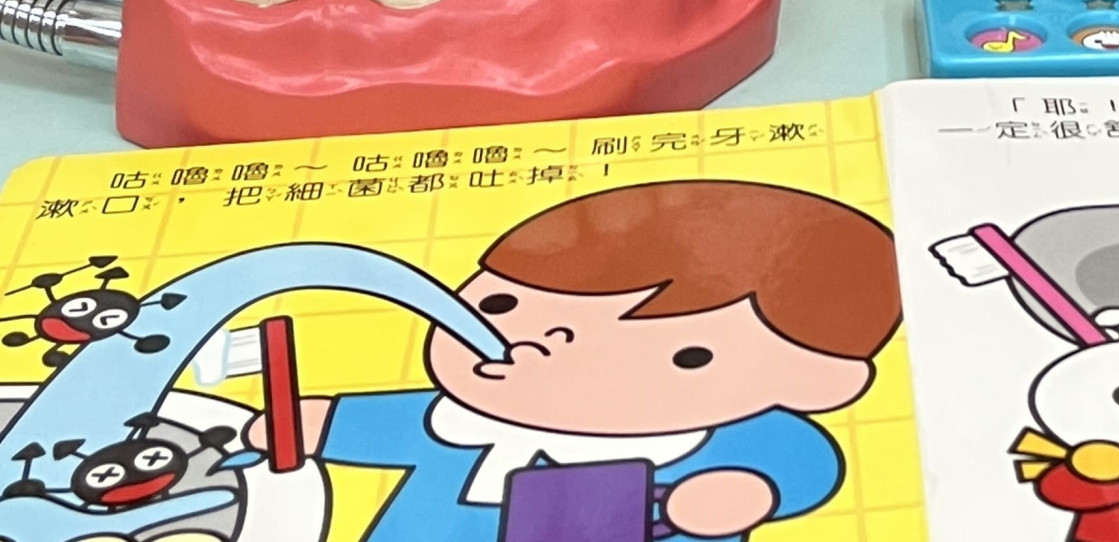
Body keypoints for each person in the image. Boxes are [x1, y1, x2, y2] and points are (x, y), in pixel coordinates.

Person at [267, 179, 901, 538]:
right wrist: (319, 423)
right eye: (502, 305)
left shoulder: (725, 440)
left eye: (687, 355)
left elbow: (797, 465)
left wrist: (740, 493)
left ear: (819, 379)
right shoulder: (460, 419)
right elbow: (389, 424)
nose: (539, 344)